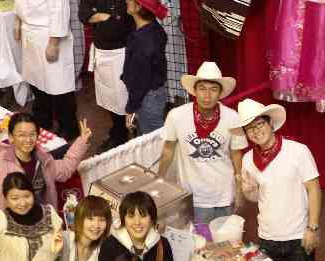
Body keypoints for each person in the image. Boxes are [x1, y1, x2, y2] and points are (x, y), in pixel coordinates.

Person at [231, 98, 321, 261]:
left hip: (298, 235)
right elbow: (258, 197)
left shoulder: (298, 151)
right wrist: (249, 192)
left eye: (259, 124)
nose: (256, 131)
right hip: (267, 235)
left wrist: (312, 228)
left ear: (270, 123)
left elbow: (314, 190)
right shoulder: (248, 159)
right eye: (249, 129)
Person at [157, 61, 248, 224]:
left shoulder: (232, 117)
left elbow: (236, 155)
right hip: (194, 196)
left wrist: (239, 190)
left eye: (213, 89)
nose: (207, 95)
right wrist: (158, 179)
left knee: (223, 244)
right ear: (194, 91)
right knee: (199, 243)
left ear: (220, 93)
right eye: (202, 89)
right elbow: (168, 149)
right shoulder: (176, 116)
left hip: (225, 194)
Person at [0, 112, 92, 210]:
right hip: (12, 231)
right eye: (21, 135)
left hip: (42, 223)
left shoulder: (43, 159)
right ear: (10, 137)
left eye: (32, 134)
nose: (28, 140)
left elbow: (65, 169)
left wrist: (82, 141)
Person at [14, 0, 80, 141]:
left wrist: (54, 42)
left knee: (59, 86)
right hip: (30, 33)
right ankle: (43, 119)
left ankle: (69, 127)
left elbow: (59, 10)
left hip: (48, 34)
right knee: (36, 81)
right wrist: (17, 20)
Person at [98, 191, 176, 261]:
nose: (137, 222)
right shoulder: (110, 246)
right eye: (131, 216)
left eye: (143, 216)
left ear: (152, 219)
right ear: (123, 219)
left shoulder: (162, 244)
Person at [79, 0, 134, 151]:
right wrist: (105, 17)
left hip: (121, 54)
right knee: (108, 97)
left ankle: (123, 135)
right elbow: (83, 15)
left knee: (122, 98)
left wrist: (101, 16)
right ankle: (117, 130)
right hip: (101, 51)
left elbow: (122, 22)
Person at [122, 0, 168, 136]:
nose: (126, 1)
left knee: (152, 142)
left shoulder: (142, 40)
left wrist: (130, 109)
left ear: (139, 6)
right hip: (152, 94)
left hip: (147, 98)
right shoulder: (154, 29)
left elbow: (140, 81)